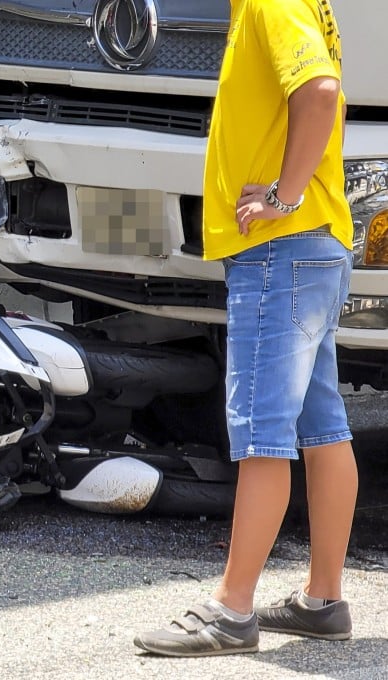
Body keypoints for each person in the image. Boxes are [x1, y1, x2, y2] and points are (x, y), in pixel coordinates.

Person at [133, 0, 357, 657]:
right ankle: (323, 599)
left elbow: (319, 92)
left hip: (280, 248)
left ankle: (231, 612)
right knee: (323, 427)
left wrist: (283, 196)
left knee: (263, 432)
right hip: (315, 246)